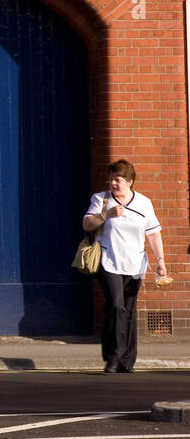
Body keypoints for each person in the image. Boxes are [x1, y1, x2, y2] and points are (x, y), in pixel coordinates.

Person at [82, 160, 169, 373]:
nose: (112, 183)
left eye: (117, 179)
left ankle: (127, 360)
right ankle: (113, 357)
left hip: (135, 263)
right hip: (108, 261)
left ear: (129, 182)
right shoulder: (100, 200)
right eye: (110, 179)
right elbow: (86, 224)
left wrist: (160, 261)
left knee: (129, 310)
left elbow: (153, 233)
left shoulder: (143, 203)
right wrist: (106, 215)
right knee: (115, 305)